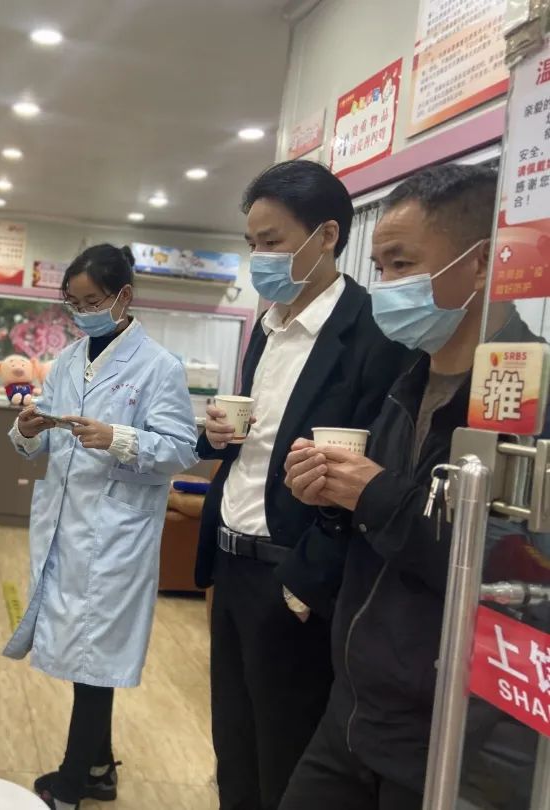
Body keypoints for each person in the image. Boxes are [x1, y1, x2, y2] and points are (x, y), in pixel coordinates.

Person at [279, 164, 535, 809]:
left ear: (482, 264)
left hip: (457, 739)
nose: (385, 287)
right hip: (353, 711)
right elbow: (381, 531)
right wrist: (332, 498)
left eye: (401, 265)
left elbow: (508, 572)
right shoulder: (406, 387)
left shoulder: (527, 404)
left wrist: (372, 495)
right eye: (380, 268)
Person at [196, 160, 409, 810]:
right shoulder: (269, 328)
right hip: (233, 565)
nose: (259, 258)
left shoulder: (375, 333)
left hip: (296, 580)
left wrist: (303, 584)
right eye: (252, 243)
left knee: (285, 762)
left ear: (327, 237)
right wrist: (217, 435)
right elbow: (256, 447)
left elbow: (374, 471)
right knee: (234, 749)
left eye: (272, 241)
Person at [5, 244, 199, 810]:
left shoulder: (159, 366)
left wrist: (117, 438)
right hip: (65, 525)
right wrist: (27, 429)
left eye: (92, 301)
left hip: (117, 533)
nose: (81, 312)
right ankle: (99, 768)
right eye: (73, 302)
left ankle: (71, 784)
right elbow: (40, 440)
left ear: (124, 297)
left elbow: (181, 449)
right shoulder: (68, 360)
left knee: (94, 657)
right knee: (84, 650)